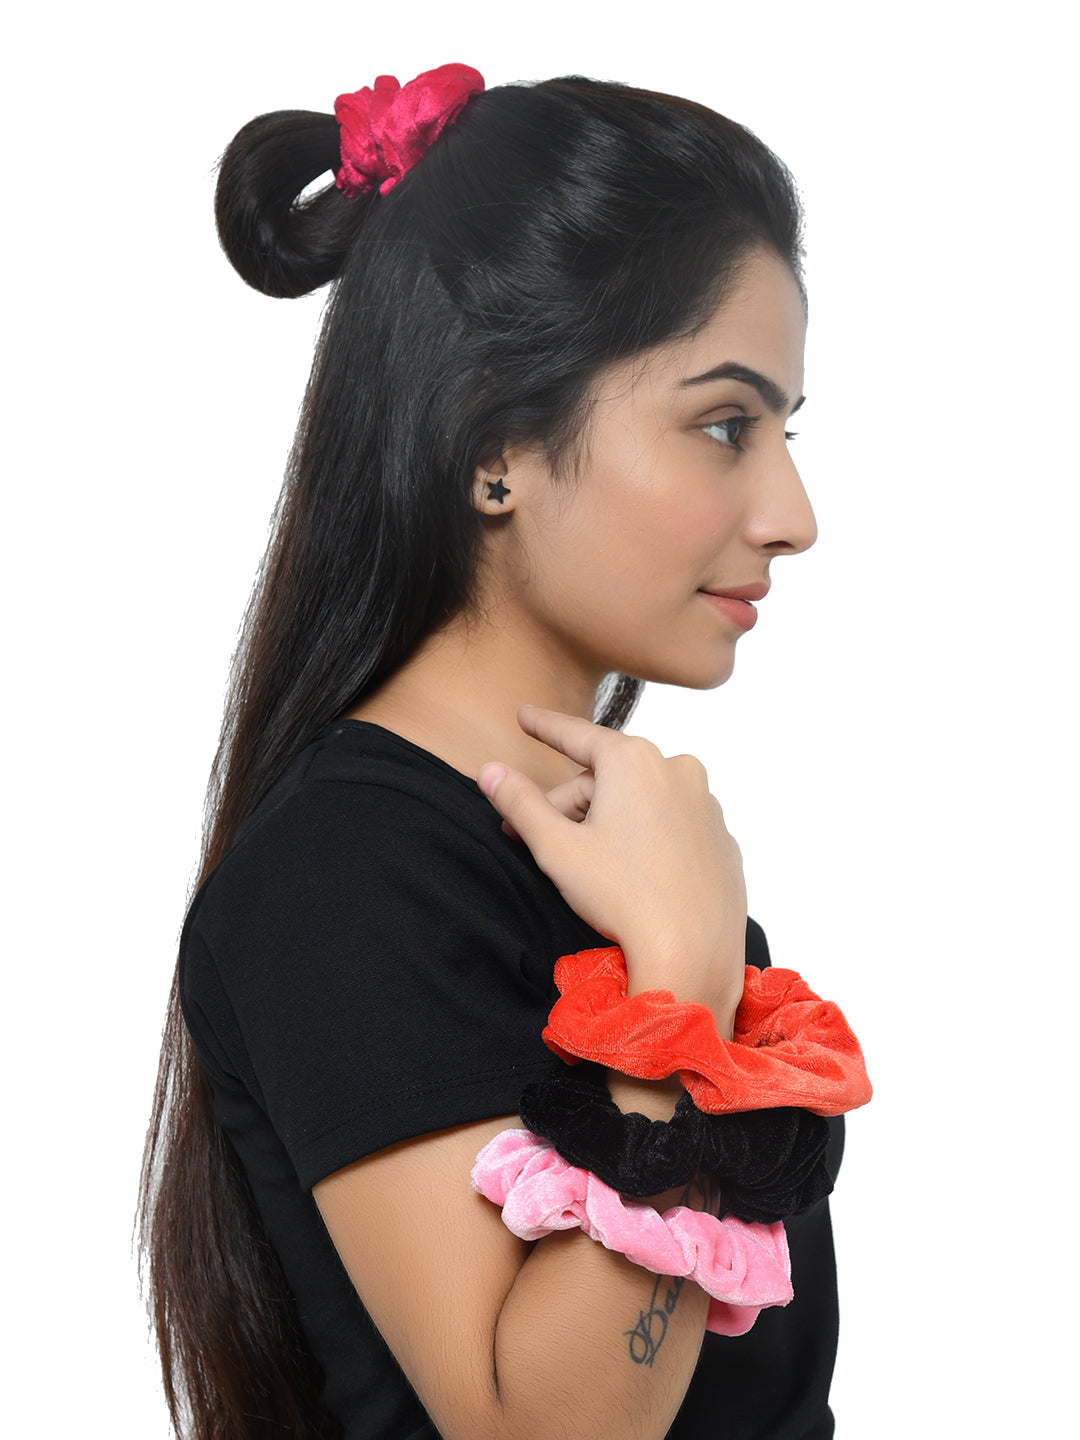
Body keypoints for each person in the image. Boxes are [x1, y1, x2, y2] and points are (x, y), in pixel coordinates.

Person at [140, 65, 865, 1440]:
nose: (793, 513)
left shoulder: (617, 854)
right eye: (725, 425)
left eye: (786, 431)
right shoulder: (344, 874)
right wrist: (675, 992)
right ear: (496, 447)